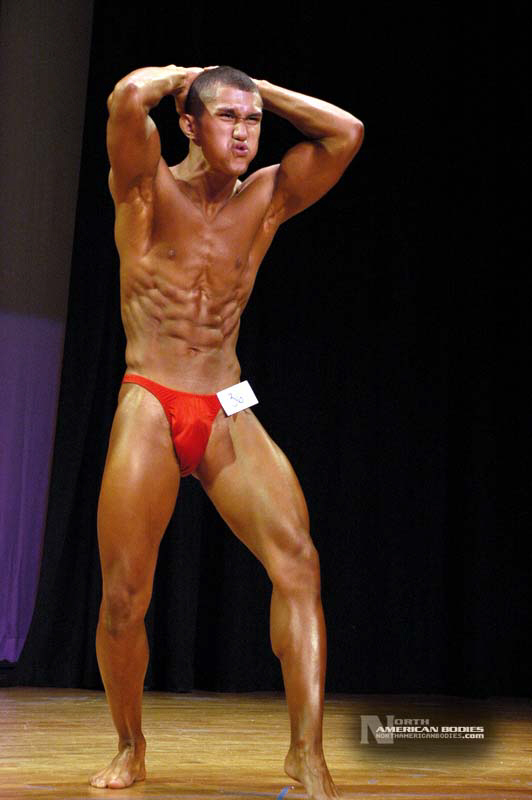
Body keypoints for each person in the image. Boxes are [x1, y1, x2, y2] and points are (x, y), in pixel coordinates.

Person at [90, 64, 364, 797]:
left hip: (225, 404)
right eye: (228, 118)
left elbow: (347, 133)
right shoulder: (147, 187)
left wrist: (258, 89)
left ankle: (307, 753)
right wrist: (184, 76)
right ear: (188, 122)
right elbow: (126, 98)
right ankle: (130, 746)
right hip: (151, 398)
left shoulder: (267, 198)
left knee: (299, 563)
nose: (245, 134)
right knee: (124, 600)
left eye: (253, 122)